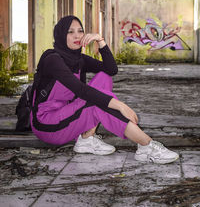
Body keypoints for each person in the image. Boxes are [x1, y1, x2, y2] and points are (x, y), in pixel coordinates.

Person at [31, 15, 179, 164]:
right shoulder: (52, 59)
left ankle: (86, 140)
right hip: (48, 124)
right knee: (97, 102)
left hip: (69, 115)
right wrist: (119, 105)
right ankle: (146, 145)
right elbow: (81, 90)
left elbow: (111, 69)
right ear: (61, 34)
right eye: (70, 32)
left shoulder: (79, 59)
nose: (77, 35)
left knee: (104, 78)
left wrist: (100, 41)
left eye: (80, 31)